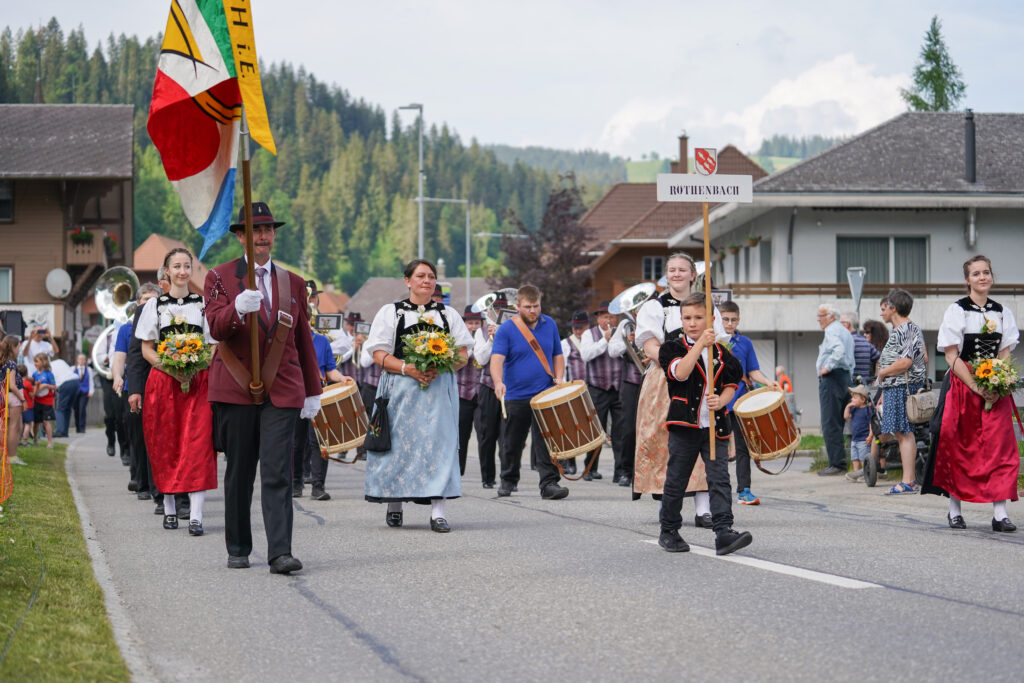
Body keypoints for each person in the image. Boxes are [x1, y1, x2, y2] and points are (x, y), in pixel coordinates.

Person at [206, 202, 323, 572]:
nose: (262, 236)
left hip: (283, 386)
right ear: (241, 236)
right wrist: (237, 308)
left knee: (277, 472)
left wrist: (312, 388)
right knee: (240, 472)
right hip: (236, 385)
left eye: (268, 229)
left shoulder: (293, 282)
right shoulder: (220, 278)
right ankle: (238, 547)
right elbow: (215, 328)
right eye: (254, 230)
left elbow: (303, 336)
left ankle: (280, 552)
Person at [363, 259, 472, 531]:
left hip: (438, 392)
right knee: (398, 447)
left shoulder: (448, 315)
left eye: (431, 276)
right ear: (407, 281)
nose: (427, 280)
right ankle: (395, 503)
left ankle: (438, 512)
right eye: (421, 276)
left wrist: (441, 365)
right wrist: (407, 368)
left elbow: (463, 354)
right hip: (401, 390)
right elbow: (378, 353)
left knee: (440, 447)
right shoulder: (391, 313)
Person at [923, 255, 1020, 530]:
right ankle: (955, 510)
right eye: (976, 273)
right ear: (968, 280)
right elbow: (952, 356)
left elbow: (1004, 350)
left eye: (986, 272)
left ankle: (1000, 514)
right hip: (963, 387)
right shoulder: (957, 310)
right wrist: (977, 385)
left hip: (995, 390)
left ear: (991, 276)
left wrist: (996, 383)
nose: (982, 277)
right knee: (960, 446)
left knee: (1000, 449)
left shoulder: (1001, 312)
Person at [657, 293, 752, 556]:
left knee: (719, 479)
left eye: (699, 318)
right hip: (684, 426)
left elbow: (732, 385)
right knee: (677, 479)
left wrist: (721, 401)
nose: (692, 323)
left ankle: (723, 531)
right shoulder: (672, 348)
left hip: (714, 427)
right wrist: (700, 346)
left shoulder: (723, 354)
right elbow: (680, 372)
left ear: (711, 319)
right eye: (687, 318)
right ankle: (669, 530)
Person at [634, 252, 720, 527]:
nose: (677, 274)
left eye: (682, 269)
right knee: (668, 441)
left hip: (703, 377)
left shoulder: (708, 306)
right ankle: (668, 503)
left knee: (704, 438)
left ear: (693, 274)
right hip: (665, 380)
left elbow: (719, 341)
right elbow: (649, 345)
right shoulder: (654, 308)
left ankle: (703, 508)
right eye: (672, 269)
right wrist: (675, 365)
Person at [137, 248, 218, 535]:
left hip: (197, 382)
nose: (182, 271)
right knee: (166, 443)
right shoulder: (154, 307)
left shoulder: (202, 305)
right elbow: (146, 348)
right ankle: (170, 508)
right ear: (167, 272)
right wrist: (170, 367)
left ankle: (196, 515)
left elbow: (212, 344)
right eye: (177, 266)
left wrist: (196, 366)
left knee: (198, 445)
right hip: (163, 381)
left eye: (187, 266)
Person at [490, 284, 568, 500]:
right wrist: (498, 382)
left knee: (547, 441)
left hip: (544, 394)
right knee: (512, 442)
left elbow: (557, 355)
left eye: (536, 306)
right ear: (518, 306)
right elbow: (497, 359)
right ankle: (508, 479)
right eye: (528, 307)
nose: (533, 311)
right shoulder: (506, 329)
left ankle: (549, 484)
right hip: (516, 395)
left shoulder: (549, 323)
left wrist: (559, 378)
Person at [292, 280, 350, 501]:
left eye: (304, 318)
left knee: (320, 443)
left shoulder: (323, 342)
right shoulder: (289, 342)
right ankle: (296, 483)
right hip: (296, 397)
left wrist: (342, 378)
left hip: (318, 396)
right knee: (296, 443)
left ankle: (318, 487)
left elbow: (330, 370)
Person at [718, 300, 778, 505]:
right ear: (718, 318)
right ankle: (706, 490)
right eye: (725, 319)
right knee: (713, 448)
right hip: (714, 402)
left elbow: (752, 370)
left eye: (733, 320)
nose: (729, 323)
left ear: (739, 320)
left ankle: (744, 490)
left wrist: (768, 382)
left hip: (739, 403)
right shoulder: (711, 339)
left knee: (743, 448)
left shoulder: (745, 342)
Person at [874, 289, 927, 495]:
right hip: (897, 386)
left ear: (893, 308)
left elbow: (906, 362)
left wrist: (883, 373)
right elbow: (922, 357)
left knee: (904, 433)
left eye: (884, 308)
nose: (882, 313)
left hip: (901, 387)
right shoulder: (905, 329)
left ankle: (908, 481)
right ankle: (909, 480)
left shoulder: (905, 329)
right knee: (903, 433)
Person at [115, 283, 162, 500]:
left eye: (154, 300)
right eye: (145, 300)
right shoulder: (126, 329)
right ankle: (141, 481)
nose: (149, 304)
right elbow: (122, 357)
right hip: (134, 386)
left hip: (159, 385)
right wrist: (118, 376)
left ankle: (155, 485)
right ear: (138, 303)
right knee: (138, 438)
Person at [578, 300, 625, 482]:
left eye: (612, 317)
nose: (609, 321)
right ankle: (590, 469)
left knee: (620, 432)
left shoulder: (620, 332)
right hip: (597, 388)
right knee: (595, 431)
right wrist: (604, 340)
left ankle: (620, 472)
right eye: (606, 317)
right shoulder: (589, 334)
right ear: (598, 318)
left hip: (618, 387)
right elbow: (586, 355)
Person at [472, 293, 508, 489]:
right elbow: (480, 360)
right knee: (486, 435)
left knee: (508, 436)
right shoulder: (481, 332)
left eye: (503, 309)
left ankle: (508, 477)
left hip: (510, 387)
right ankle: (488, 477)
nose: (499, 312)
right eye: (495, 309)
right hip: (487, 387)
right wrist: (492, 339)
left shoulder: (516, 330)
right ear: (489, 312)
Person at [815, 303, 854, 476]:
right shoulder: (845, 331)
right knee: (838, 421)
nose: (818, 319)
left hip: (832, 379)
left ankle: (836, 464)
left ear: (830, 317)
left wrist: (827, 366)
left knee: (830, 423)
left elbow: (838, 350)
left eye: (821, 316)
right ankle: (841, 462)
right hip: (844, 377)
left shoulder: (831, 330)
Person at [607, 309, 643, 487]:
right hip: (631, 381)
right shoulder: (625, 325)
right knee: (628, 428)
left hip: (654, 379)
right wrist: (628, 340)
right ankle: (625, 471)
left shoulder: (658, 318)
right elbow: (612, 351)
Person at [558, 310, 590, 476]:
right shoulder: (566, 343)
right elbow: (562, 366)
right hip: (572, 389)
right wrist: (562, 386)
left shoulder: (592, 340)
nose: (578, 331)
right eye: (576, 328)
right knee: (571, 427)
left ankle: (590, 465)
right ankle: (570, 462)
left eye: (581, 327)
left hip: (590, 389)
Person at [93, 321, 129, 458]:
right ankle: (110, 442)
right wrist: (109, 357)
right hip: (109, 378)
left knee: (122, 416)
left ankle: (124, 450)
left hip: (124, 376)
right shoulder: (107, 336)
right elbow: (99, 356)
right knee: (110, 416)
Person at [455, 306, 484, 477]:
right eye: (470, 323)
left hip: (481, 393)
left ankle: (486, 475)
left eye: (476, 323)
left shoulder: (487, 338)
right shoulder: (457, 340)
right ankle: (458, 471)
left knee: (484, 435)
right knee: (461, 435)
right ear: (464, 324)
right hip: (462, 393)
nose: (473, 326)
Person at [1, 336, 25, 461]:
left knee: (4, 426)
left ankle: (4, 455)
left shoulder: (1, 361)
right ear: (12, 347)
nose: (19, 350)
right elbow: (12, 385)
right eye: (18, 347)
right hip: (13, 396)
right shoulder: (11, 363)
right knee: (14, 426)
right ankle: (12, 456)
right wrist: (22, 399)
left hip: (2, 395)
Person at [841, 312, 880, 385]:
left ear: (847, 324)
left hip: (849, 387)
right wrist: (875, 379)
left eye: (841, 323)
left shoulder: (846, 341)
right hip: (863, 388)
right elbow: (879, 359)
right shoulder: (865, 342)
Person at [843, 385, 873, 481]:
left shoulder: (867, 410)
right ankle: (856, 474)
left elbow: (870, 423)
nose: (852, 399)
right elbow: (846, 416)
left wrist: (870, 435)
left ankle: (865, 474)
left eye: (854, 398)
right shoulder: (854, 409)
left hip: (863, 439)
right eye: (852, 397)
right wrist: (848, 406)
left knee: (863, 458)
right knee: (854, 458)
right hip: (854, 439)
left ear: (863, 399)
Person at [31, 353, 57, 448]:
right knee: (36, 422)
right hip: (37, 400)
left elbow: (54, 387)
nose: (35, 363)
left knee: (46, 421)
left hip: (47, 401)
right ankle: (35, 440)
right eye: (34, 361)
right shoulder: (34, 374)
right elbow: (32, 387)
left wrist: (45, 385)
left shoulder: (49, 374)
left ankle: (50, 442)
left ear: (44, 362)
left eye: (37, 361)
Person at [51, 355, 80, 439]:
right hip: (75, 381)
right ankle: (65, 431)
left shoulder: (49, 367)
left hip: (65, 384)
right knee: (67, 409)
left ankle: (60, 430)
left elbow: (53, 384)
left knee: (60, 409)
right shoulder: (60, 361)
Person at [72, 353, 93, 434]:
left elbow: (90, 381)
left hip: (84, 392)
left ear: (85, 361)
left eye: (83, 359)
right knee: (76, 409)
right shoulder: (73, 369)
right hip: (75, 392)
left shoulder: (89, 370)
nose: (81, 361)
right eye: (80, 359)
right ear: (77, 360)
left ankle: (82, 427)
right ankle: (77, 427)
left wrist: (91, 391)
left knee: (82, 409)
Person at [19, 364, 35, 446]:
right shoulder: (28, 384)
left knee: (20, 424)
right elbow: (32, 395)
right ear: (27, 373)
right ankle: (25, 441)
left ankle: (18, 440)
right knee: (27, 424)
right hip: (28, 406)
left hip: (19, 406)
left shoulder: (17, 383)